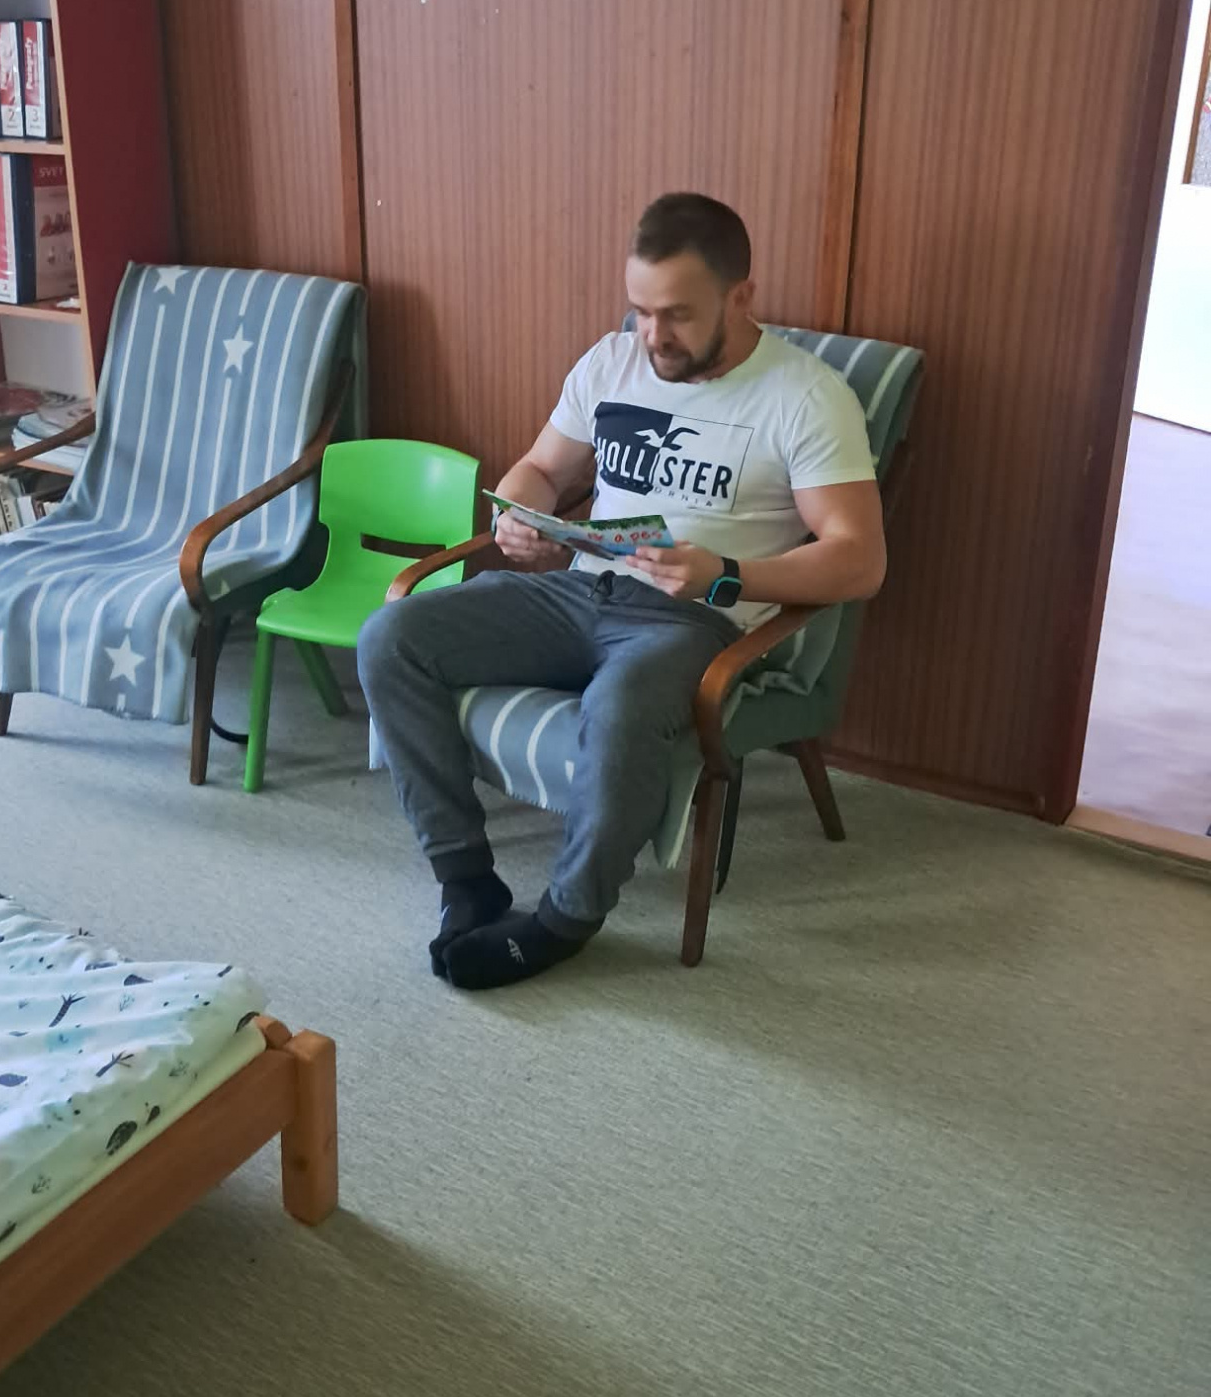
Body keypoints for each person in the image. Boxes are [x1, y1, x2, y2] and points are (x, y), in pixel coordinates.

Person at [357, 193, 886, 991]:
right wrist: (518, 515)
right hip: (581, 592)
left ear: (740, 296)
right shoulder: (613, 362)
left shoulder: (806, 397)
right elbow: (542, 468)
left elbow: (859, 559)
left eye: (676, 315)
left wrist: (726, 572)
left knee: (623, 704)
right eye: (640, 309)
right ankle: (465, 880)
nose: (652, 335)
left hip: (692, 622)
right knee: (391, 637)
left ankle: (563, 921)